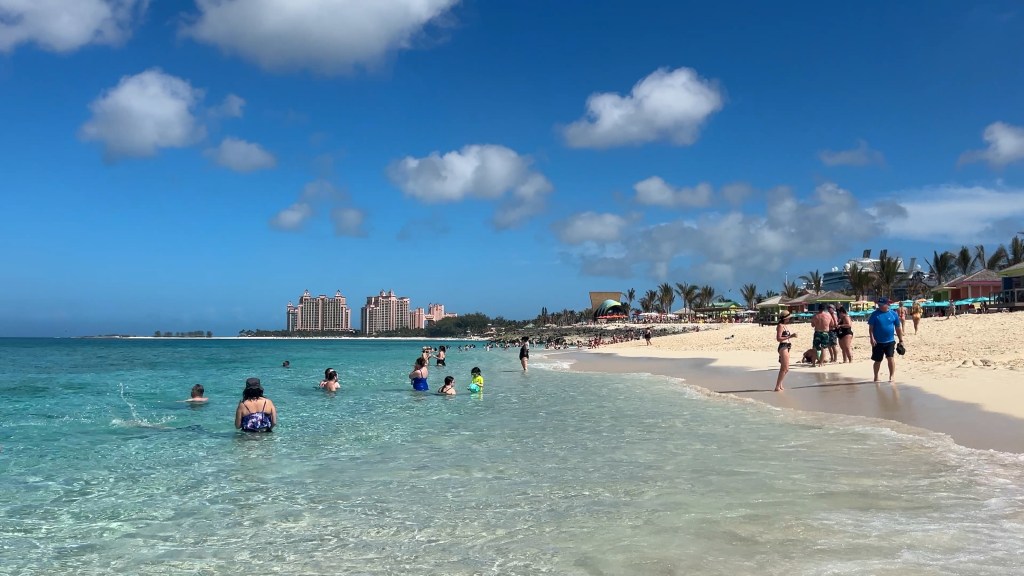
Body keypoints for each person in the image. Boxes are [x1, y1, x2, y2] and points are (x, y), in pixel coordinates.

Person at [867, 297, 904, 383]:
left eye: (881, 305)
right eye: (878, 305)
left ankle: (891, 376)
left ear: (887, 304)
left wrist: (901, 340)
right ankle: (876, 376)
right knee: (877, 360)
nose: (879, 306)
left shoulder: (893, 314)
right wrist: (872, 338)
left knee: (890, 358)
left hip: (890, 341)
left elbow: (898, 328)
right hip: (877, 342)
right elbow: (871, 328)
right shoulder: (874, 314)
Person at [774, 310, 797, 392]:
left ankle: (779, 385)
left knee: (783, 368)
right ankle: (777, 386)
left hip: (787, 346)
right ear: (785, 318)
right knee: (786, 368)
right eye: (788, 318)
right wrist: (791, 336)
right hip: (783, 346)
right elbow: (778, 338)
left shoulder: (787, 325)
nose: (789, 319)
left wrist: (791, 336)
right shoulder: (780, 326)